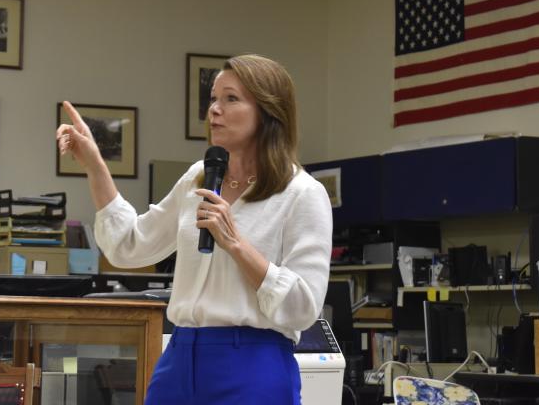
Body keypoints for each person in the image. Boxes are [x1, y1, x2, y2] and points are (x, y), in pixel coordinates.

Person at [56, 54, 332, 405]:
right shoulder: (198, 178)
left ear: (268, 111)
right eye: (213, 98)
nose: (214, 110)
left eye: (231, 98)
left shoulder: (302, 194)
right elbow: (129, 245)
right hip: (179, 359)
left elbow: (304, 307)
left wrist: (236, 244)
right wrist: (94, 164)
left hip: (252, 364)